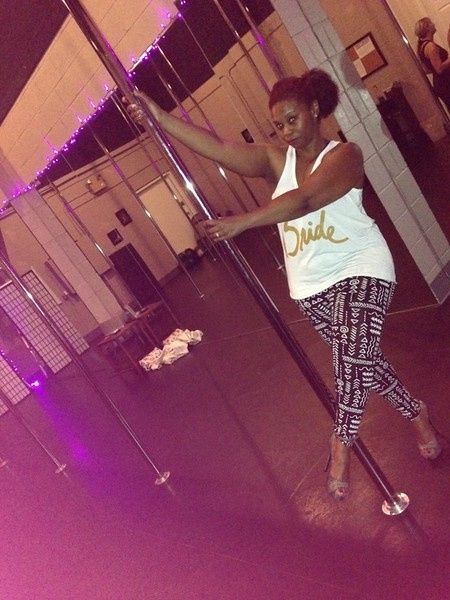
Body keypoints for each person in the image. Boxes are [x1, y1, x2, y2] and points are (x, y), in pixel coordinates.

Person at [127, 68, 441, 500]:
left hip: (360, 266)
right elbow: (221, 149)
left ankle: (341, 441)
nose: (286, 131)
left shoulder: (345, 155)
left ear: (314, 109)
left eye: (292, 119)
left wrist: (244, 222)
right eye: (278, 125)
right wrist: (161, 118)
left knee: (352, 359)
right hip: (312, 285)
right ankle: (416, 412)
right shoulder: (278, 161)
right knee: (362, 361)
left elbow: (306, 199)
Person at [415, 17, 450, 111]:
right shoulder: (431, 46)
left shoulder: (421, 46)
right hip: (445, 83)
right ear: (427, 28)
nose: (434, 24)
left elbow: (426, 69)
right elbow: (439, 69)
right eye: (431, 23)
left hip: (440, 84)